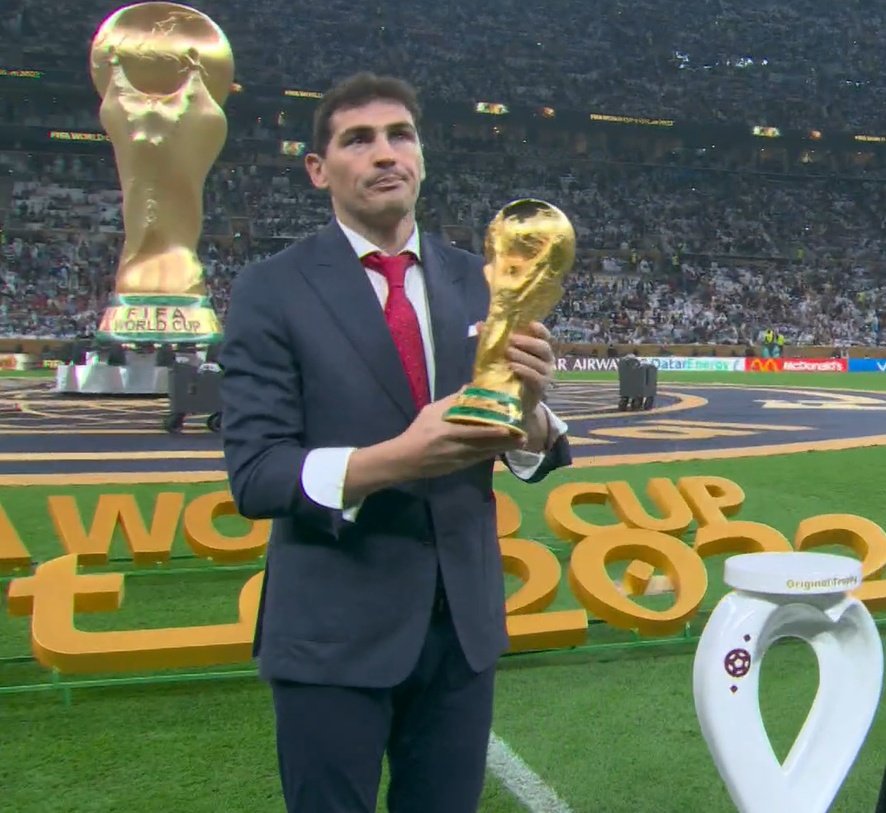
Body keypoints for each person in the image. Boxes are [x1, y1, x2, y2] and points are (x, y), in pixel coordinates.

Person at [219, 71, 572, 813]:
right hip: (332, 636)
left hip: (462, 630)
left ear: (422, 155)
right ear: (319, 169)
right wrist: (395, 461)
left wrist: (533, 416)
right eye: (358, 139)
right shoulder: (270, 289)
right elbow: (256, 473)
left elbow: (520, 442)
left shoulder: (482, 280)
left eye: (400, 135)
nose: (385, 154)